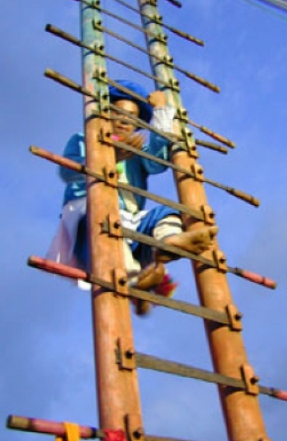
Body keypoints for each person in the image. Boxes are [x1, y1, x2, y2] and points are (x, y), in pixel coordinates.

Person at [48, 80, 218, 314]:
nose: (123, 121)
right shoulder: (84, 139)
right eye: (118, 113)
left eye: (131, 117)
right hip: (91, 215)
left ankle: (169, 242)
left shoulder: (137, 151)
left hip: (131, 220)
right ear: (105, 114)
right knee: (107, 237)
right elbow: (68, 171)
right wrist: (110, 157)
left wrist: (160, 110)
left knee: (165, 215)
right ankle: (137, 283)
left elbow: (157, 161)